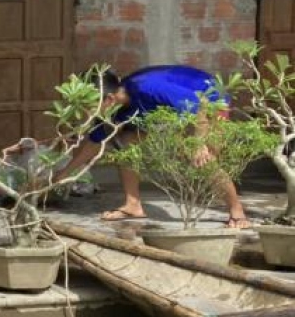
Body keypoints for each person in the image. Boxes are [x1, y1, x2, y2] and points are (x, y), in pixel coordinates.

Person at [52, 65, 251, 228]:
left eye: (88, 106)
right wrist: (62, 175)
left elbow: (199, 106)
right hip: (172, 108)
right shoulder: (115, 110)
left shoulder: (149, 88)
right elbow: (94, 142)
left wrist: (199, 144)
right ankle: (133, 204)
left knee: (204, 158)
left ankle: (237, 212)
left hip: (209, 98)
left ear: (109, 99)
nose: (86, 113)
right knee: (127, 143)